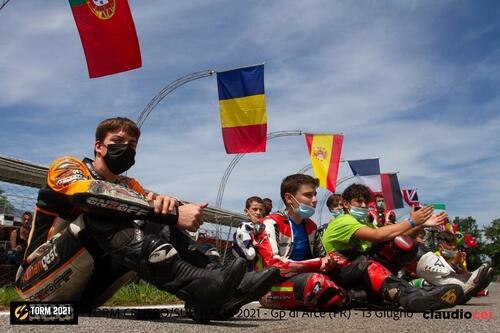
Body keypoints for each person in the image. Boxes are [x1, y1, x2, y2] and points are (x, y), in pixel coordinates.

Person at [15, 117, 279, 322]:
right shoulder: (68, 166)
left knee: (155, 216)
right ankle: (198, 287)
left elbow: (151, 207)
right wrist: (175, 213)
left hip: (87, 295)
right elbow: (90, 195)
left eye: (132, 145)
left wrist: (168, 208)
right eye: (119, 141)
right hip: (36, 288)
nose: (126, 149)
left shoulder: (130, 184)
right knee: (106, 208)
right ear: (99, 145)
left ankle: (215, 290)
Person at [321, 183, 464, 311]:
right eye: (359, 201)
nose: (364, 206)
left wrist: (422, 224)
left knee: (395, 242)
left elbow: (397, 235)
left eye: (366, 202)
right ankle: (411, 295)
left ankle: (449, 279)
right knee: (369, 263)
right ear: (346, 204)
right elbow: (377, 235)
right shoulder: (343, 221)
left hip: (360, 271)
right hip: (341, 273)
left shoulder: (364, 223)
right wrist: (412, 221)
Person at [254, 174, 350, 311]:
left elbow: (323, 258)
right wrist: (318, 264)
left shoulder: (311, 226)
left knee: (361, 269)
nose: (315, 200)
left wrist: (333, 262)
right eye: (308, 195)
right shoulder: (270, 223)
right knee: (318, 283)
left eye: (315, 195)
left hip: (306, 278)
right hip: (271, 288)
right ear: (289, 198)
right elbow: (273, 267)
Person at [232, 196, 267, 269]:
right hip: (247, 273)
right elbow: (250, 255)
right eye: (255, 209)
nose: (258, 212)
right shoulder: (243, 229)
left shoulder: (266, 227)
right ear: (246, 211)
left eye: (261, 210)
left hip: (263, 271)